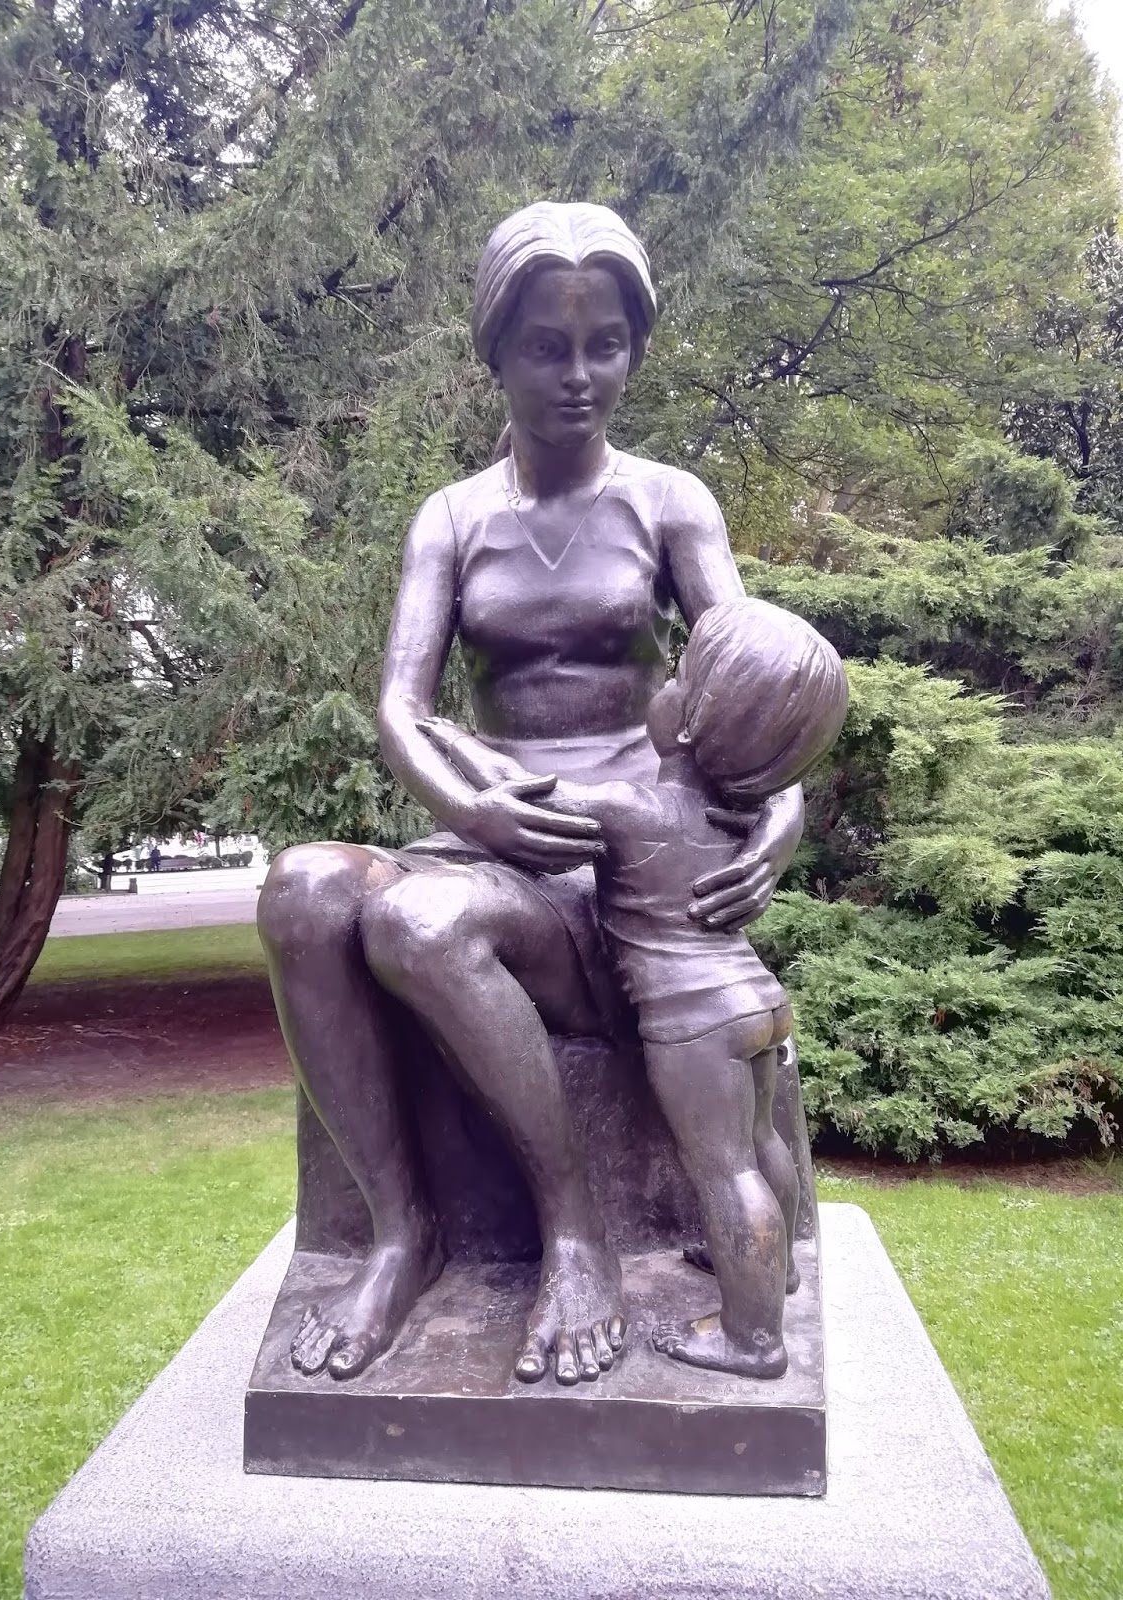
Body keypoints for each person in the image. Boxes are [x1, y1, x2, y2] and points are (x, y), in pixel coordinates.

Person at [257, 201, 806, 1388]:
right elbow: (401, 707)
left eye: (606, 344)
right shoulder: (453, 518)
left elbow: (757, 681)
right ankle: (401, 1234)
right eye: (547, 347)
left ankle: (578, 1235)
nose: (579, 376)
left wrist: (781, 811)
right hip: (490, 837)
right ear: (496, 352)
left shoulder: (670, 502)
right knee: (302, 891)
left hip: (622, 876)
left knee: (417, 921)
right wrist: (473, 813)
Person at [418, 596, 848, 1378]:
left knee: (727, 1170)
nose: (665, 684)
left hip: (693, 1023)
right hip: (756, 1000)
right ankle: (775, 1267)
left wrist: (456, 743)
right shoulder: (742, 822)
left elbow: (528, 791)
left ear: (685, 724)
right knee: (763, 1145)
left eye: (677, 677)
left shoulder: (632, 809)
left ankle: (752, 1340)